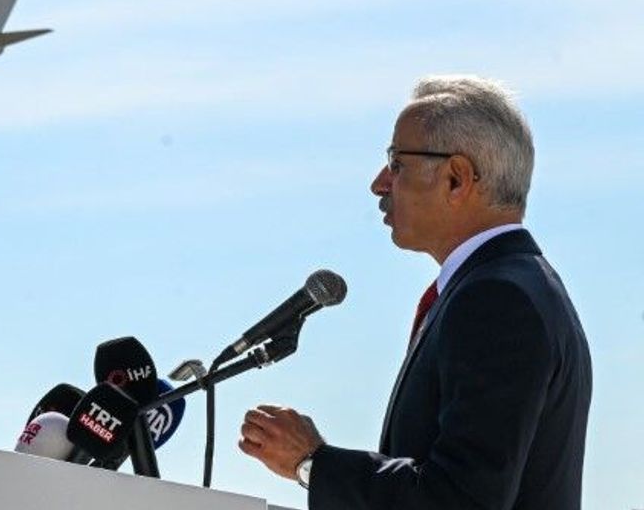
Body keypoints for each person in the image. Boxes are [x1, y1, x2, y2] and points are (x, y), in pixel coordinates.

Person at [238, 75, 592, 509]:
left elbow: (460, 500)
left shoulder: (499, 299)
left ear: (457, 178)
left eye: (397, 164)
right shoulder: (515, 286)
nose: (379, 183)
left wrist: (313, 463)